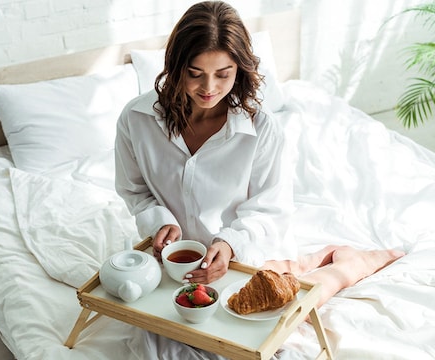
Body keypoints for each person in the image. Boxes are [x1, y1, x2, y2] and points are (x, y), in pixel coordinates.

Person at [114, 0, 404, 307]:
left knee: (284, 308)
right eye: (194, 73)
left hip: (246, 252)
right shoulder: (136, 119)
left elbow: (268, 209)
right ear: (175, 67)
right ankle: (312, 260)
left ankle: (347, 263)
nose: (208, 87)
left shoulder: (262, 130)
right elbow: (134, 190)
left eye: (223, 74)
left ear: (239, 69)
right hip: (174, 261)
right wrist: (159, 222)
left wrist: (229, 244)